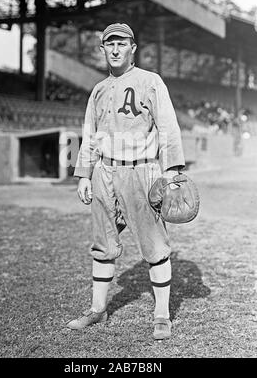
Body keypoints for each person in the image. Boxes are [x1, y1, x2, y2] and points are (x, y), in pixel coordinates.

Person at [66, 23, 185, 340]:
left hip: (140, 171)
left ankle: (161, 315)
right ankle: (97, 309)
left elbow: (169, 128)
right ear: (102, 50)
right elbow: (89, 135)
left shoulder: (150, 81)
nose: (115, 49)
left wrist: (170, 170)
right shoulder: (99, 89)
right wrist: (84, 175)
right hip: (104, 171)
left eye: (122, 43)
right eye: (110, 44)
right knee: (102, 244)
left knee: (155, 245)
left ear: (133, 47)